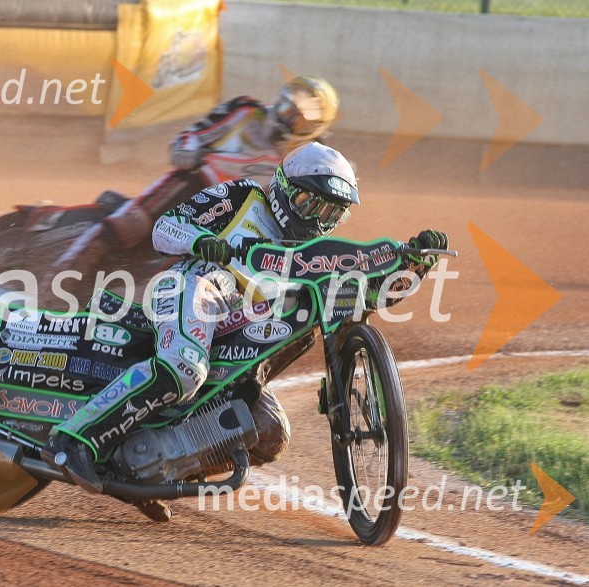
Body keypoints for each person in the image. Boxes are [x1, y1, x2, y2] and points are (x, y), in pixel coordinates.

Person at [43, 141, 449, 521]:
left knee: (270, 433)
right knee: (185, 367)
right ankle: (73, 441)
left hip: (241, 345)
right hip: (197, 285)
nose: (318, 220)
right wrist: (204, 242)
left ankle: (148, 476)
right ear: (286, 190)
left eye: (332, 213)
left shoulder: (318, 259)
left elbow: (366, 297)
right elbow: (165, 227)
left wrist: (412, 268)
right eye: (311, 204)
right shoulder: (242, 197)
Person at [48, 76, 341, 281]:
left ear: (313, 129)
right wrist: (187, 149)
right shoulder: (246, 111)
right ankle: (57, 278)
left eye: (297, 118)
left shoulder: (307, 159)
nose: (286, 117)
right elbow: (192, 135)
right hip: (194, 184)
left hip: (236, 215)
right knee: (130, 224)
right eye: (287, 107)